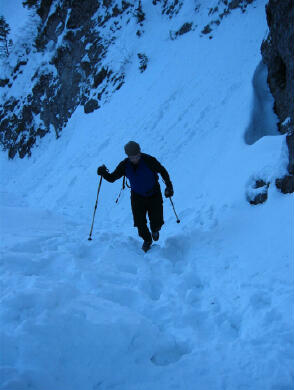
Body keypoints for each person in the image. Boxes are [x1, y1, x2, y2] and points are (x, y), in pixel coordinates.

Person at [97, 141, 174, 252]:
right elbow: (112, 178)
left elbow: (162, 171)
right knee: (139, 222)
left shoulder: (149, 160)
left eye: (137, 156)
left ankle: (155, 229)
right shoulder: (124, 165)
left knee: (156, 220)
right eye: (132, 157)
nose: (135, 159)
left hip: (154, 194)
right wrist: (103, 173)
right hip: (137, 197)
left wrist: (169, 187)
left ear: (140, 152)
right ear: (128, 156)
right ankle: (147, 240)